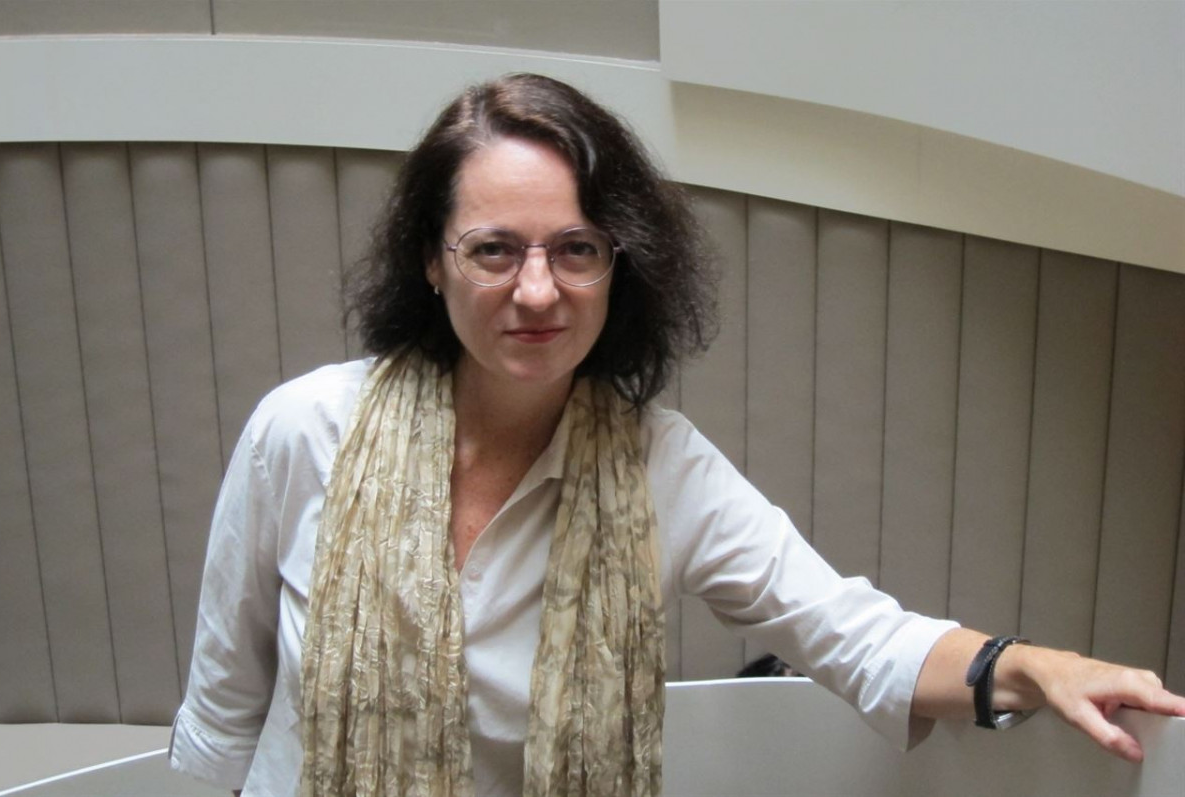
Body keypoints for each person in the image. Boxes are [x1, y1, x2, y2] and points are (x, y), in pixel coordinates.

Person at [169, 73, 1185, 797]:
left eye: (577, 248)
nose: (538, 289)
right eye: (494, 249)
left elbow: (854, 633)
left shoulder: (663, 467)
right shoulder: (302, 431)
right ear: (432, 262)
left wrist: (1033, 665)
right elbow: (222, 713)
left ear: (622, 266)